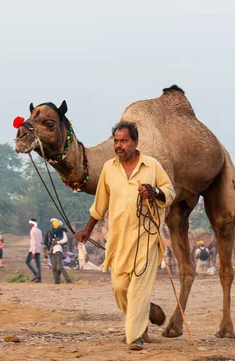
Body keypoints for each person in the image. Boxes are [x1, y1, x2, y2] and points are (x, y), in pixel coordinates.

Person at [74, 121, 175, 351]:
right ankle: (146, 311)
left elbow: (169, 192)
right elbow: (100, 205)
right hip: (118, 241)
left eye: (124, 141)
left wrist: (154, 191)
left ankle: (135, 336)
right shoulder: (109, 169)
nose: (119, 146)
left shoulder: (152, 166)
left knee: (138, 288)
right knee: (120, 288)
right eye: (116, 141)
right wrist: (87, 230)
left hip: (146, 240)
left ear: (136, 142)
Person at [48, 218, 72, 284]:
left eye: (52, 224)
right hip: (53, 250)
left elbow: (65, 240)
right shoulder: (53, 232)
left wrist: (58, 242)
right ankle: (56, 281)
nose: (52, 225)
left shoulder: (62, 231)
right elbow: (51, 242)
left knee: (60, 266)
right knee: (54, 267)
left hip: (58, 250)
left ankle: (68, 280)